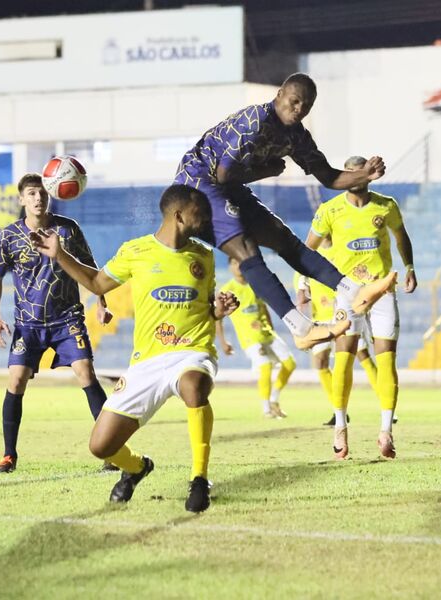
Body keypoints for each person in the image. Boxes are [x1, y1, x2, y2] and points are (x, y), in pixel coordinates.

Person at [29, 184, 239, 512]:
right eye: (202, 213)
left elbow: (207, 307)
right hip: (148, 362)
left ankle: (199, 478)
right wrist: (59, 254)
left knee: (194, 385)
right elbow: (97, 283)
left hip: (193, 352)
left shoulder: (205, 256)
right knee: (101, 446)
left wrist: (219, 311)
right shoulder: (136, 252)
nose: (207, 220)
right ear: (179, 215)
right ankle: (137, 467)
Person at [174, 72, 395, 350]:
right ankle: (301, 328)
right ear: (279, 95)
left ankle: (354, 291)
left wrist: (364, 175)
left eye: (307, 106)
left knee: (284, 239)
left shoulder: (297, 137)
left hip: (229, 186)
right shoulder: (255, 120)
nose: (299, 109)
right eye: (295, 101)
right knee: (247, 249)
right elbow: (224, 173)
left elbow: (329, 177)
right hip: (198, 183)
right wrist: (267, 170)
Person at [0, 173, 112, 474]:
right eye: (31, 193)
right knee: (16, 380)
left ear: (52, 194)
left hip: (66, 318)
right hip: (28, 324)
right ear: (22, 199)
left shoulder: (68, 230)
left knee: (86, 373)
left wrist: (101, 302)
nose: (38, 198)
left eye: (43, 192)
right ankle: (8, 455)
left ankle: (113, 450)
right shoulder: (9, 236)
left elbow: (91, 269)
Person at [306, 156, 416, 459]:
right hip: (347, 293)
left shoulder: (386, 205)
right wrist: (316, 280)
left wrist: (409, 267)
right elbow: (307, 249)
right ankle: (340, 425)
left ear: (369, 176)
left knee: (386, 361)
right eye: (353, 174)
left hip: (382, 290)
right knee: (343, 359)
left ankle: (386, 431)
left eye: (363, 174)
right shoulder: (330, 210)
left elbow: (400, 237)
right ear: (346, 176)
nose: (359, 179)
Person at [294, 237, 378, 426]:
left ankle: (386, 404)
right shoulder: (308, 257)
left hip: (344, 313)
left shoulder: (344, 251)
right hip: (321, 317)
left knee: (362, 355)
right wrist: (303, 298)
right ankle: (338, 410)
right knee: (321, 362)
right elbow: (301, 291)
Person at [216, 257, 296, 419]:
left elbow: (263, 308)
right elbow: (218, 318)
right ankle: (266, 409)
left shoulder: (255, 285)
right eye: (233, 263)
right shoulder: (227, 290)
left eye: (239, 262)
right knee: (265, 367)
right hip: (250, 339)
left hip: (267, 334)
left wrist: (271, 328)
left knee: (290, 363)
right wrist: (223, 342)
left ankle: (274, 399)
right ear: (230, 267)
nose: (237, 266)